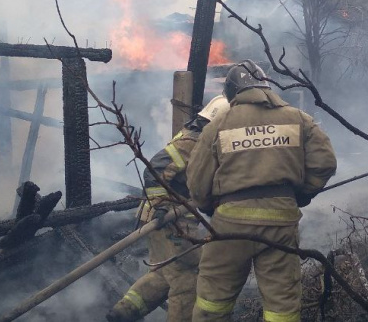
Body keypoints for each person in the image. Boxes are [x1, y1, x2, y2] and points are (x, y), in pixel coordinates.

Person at [186, 60, 337, 322]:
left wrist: (209, 206)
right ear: (266, 86)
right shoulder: (299, 119)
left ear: (233, 93)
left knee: (213, 301)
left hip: (229, 226)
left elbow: (198, 182)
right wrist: (300, 195)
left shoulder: (218, 125)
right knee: (282, 305)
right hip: (281, 222)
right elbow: (325, 163)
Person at [106, 95, 231, 322]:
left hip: (167, 217)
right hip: (171, 219)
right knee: (186, 278)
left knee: (165, 273)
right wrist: (162, 206)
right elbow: (155, 168)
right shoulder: (193, 142)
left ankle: (123, 313)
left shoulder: (196, 137)